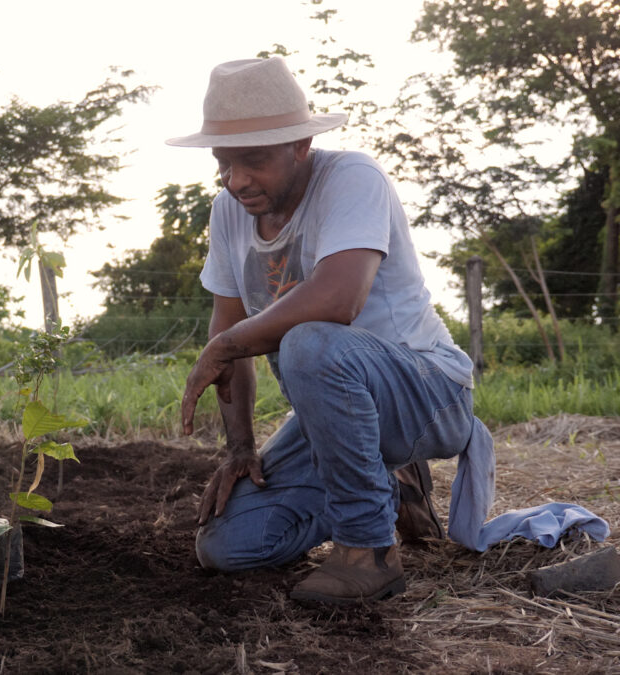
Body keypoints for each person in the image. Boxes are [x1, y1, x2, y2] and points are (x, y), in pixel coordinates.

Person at [169, 57, 481, 605]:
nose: (236, 180)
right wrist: (240, 447)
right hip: (332, 413)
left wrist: (225, 344)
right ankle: (389, 482)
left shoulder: (353, 177)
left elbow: (337, 300)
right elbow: (230, 330)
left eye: (254, 161)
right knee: (227, 548)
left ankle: (368, 550)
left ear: (300, 147)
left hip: (430, 392)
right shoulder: (228, 211)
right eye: (224, 162)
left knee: (308, 341)